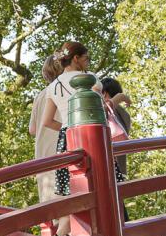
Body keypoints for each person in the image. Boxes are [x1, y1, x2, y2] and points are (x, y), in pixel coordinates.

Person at [30, 41, 93, 220]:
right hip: (65, 145)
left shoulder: (41, 95)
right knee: (74, 192)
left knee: (53, 201)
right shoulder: (69, 88)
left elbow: (33, 129)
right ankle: (64, 234)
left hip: (43, 152)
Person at [99, 76, 132, 183]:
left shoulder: (104, 109)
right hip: (121, 164)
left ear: (104, 93)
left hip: (108, 164)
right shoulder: (125, 114)